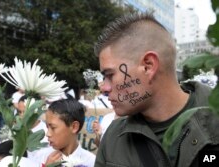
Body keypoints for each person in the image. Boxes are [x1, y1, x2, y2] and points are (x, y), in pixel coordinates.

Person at [93, 12, 219, 167]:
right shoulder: (113, 138)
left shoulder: (215, 120)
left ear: (148, 66)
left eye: (110, 75)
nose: (104, 88)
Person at [44, 99, 96, 167]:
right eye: (47, 127)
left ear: (74, 127)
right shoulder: (42, 157)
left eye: (53, 128)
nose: (48, 134)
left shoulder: (91, 162)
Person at [17, 95, 53, 164]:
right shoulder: (15, 130)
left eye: (25, 112)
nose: (22, 116)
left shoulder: (47, 132)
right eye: (19, 112)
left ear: (35, 111)